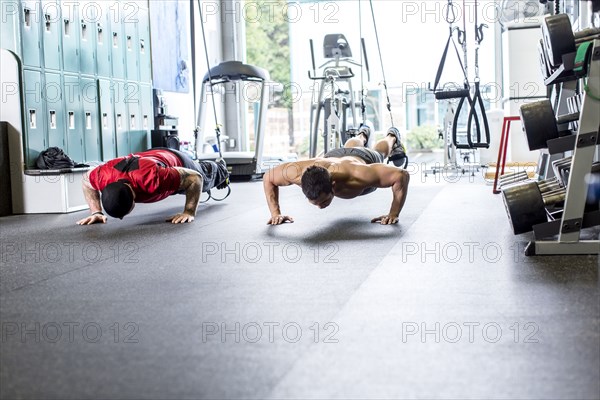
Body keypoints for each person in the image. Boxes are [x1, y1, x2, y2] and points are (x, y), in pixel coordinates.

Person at [263, 126, 410, 225]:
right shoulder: (296, 173)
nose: (320, 207)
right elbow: (268, 177)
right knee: (348, 148)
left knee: (380, 153)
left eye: (324, 201)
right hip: (333, 156)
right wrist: (276, 213)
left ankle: (392, 136)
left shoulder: (360, 175)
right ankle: (362, 134)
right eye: (315, 203)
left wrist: (393, 213)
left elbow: (401, 175)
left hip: (363, 158)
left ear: (333, 185)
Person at [77, 148, 229, 225]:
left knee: (204, 180)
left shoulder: (152, 180)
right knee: (179, 181)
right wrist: (95, 212)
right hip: (151, 155)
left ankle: (221, 168)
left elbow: (195, 179)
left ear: (133, 196)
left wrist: (189, 212)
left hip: (176, 160)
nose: (124, 218)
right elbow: (85, 181)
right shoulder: (101, 176)